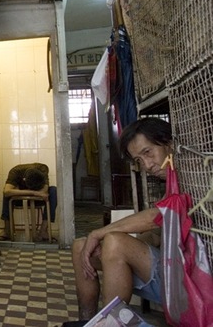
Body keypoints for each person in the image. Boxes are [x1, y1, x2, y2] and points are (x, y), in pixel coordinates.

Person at [71, 118, 172, 321]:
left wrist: (101, 235)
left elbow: (157, 217)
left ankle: (109, 324)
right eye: (139, 160)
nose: (147, 165)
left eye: (148, 152)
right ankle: (87, 322)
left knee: (114, 241)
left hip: (187, 279)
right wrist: (120, 250)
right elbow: (155, 234)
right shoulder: (171, 182)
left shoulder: (193, 175)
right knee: (80, 247)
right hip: (165, 269)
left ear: (169, 143)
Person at [0, 162, 57, 241]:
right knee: (7, 194)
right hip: (20, 198)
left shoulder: (43, 168)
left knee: (53, 190)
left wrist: (38, 193)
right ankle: (7, 230)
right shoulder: (15, 171)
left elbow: (44, 191)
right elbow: (7, 191)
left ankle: (43, 231)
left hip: (39, 198)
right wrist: (34, 193)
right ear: (24, 179)